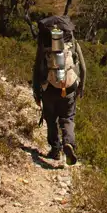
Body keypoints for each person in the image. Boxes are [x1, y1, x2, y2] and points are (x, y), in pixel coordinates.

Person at [32, 15, 86, 165]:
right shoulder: (72, 43)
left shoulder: (44, 44)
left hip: (49, 88)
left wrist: (36, 91)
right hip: (69, 87)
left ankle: (55, 150)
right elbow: (83, 67)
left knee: (50, 119)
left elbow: (37, 68)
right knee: (67, 118)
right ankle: (68, 142)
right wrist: (81, 86)